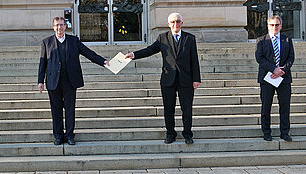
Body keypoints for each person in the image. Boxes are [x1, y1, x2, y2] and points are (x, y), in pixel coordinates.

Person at [125, 13, 201, 144]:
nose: (175, 24)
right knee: (168, 108)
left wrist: (196, 79)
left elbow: (194, 59)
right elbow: (149, 50)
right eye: (172, 22)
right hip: (168, 79)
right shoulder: (162, 38)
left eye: (177, 22)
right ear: (168, 24)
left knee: (187, 108)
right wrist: (134, 54)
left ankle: (188, 134)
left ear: (182, 23)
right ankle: (170, 134)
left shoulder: (190, 38)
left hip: (186, 79)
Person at [38, 17, 109, 145]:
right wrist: (40, 81)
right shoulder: (46, 42)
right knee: (56, 110)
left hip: (70, 80)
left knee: (70, 109)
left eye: (61, 25)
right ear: (53, 27)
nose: (59, 27)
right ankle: (58, 136)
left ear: (66, 26)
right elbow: (42, 62)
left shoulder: (74, 41)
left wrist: (102, 61)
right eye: (57, 25)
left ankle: (70, 135)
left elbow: (88, 53)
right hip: (53, 80)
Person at [255, 15, 294, 142]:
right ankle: (266, 132)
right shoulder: (261, 40)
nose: (274, 27)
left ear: (281, 26)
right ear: (268, 26)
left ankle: (285, 132)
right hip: (267, 78)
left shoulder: (287, 40)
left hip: (284, 78)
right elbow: (259, 58)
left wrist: (282, 70)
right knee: (266, 106)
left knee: (285, 106)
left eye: (277, 25)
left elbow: (291, 58)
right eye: (272, 25)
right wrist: (274, 69)